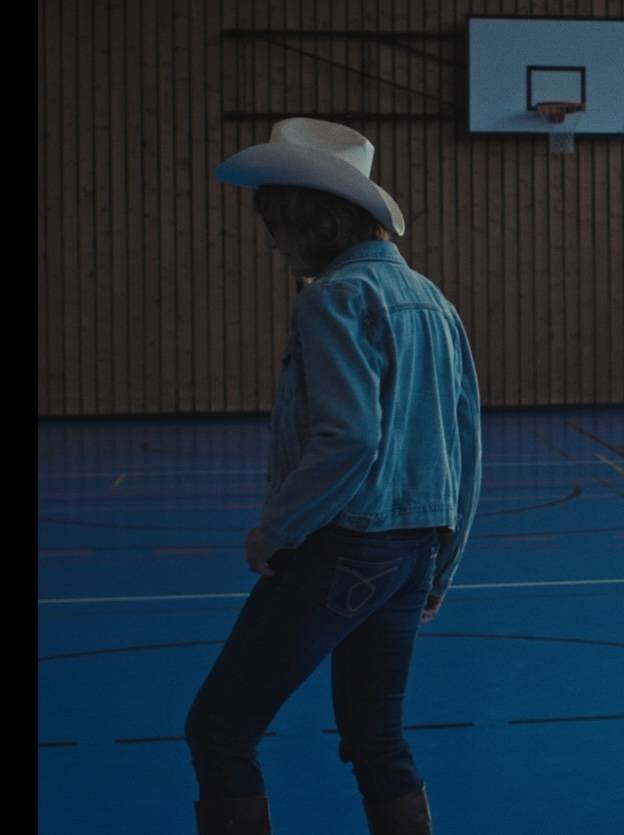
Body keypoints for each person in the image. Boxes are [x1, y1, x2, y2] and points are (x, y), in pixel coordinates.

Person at [185, 118, 483, 835]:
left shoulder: (333, 298)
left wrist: (275, 529)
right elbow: (465, 445)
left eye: (276, 226)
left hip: (345, 544)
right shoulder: (434, 301)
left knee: (219, 728)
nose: (272, 244)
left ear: (310, 218)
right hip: (413, 551)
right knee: (376, 736)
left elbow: (348, 439)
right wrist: (442, 566)